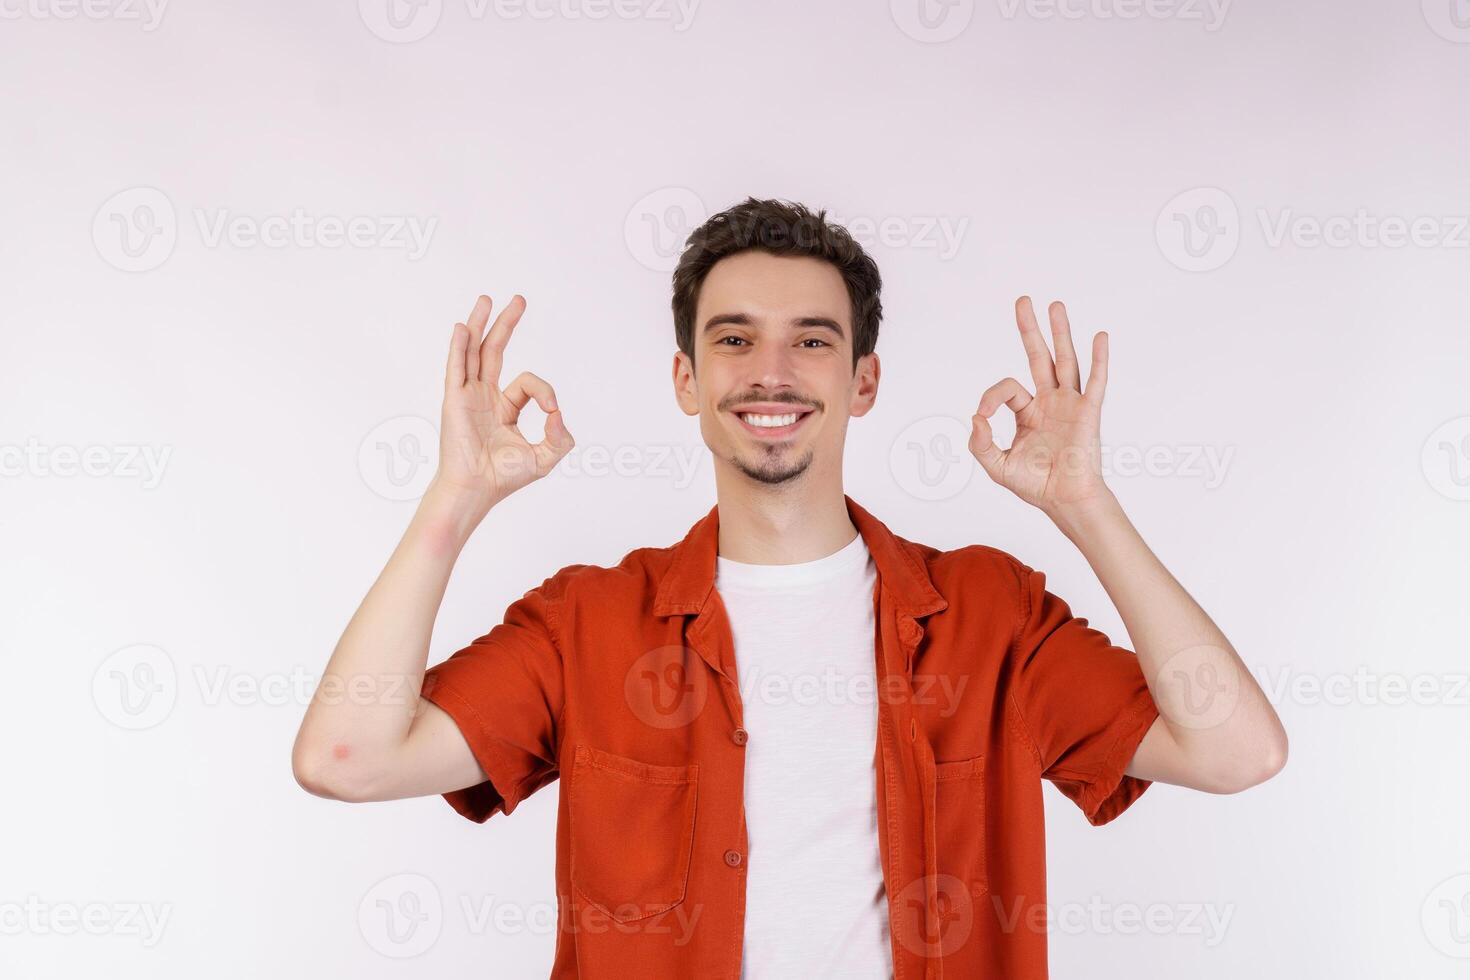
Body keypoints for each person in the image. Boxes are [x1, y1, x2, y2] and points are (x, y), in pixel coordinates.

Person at [292, 197, 1287, 978]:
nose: (771, 371)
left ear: (863, 380)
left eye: (812, 339)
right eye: (733, 338)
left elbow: (1236, 748)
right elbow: (347, 757)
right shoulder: (585, 621)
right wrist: (455, 498)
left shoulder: (991, 615)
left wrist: (1086, 505)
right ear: (686, 378)